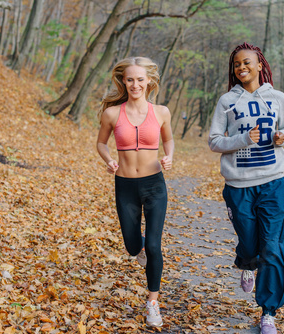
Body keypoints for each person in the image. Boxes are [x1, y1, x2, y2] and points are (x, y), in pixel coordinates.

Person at [208, 42, 284, 334]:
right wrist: (244, 139)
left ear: (260, 65)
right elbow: (214, 141)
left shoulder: (277, 97)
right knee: (249, 243)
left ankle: (268, 312)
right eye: (236, 64)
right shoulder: (226, 101)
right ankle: (247, 262)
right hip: (238, 186)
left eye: (247, 62)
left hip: (272, 182)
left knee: (272, 246)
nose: (241, 68)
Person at [96, 56, 174, 328]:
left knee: (154, 246)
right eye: (130, 79)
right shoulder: (112, 113)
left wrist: (169, 157)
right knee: (133, 246)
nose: (135, 84)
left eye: (140, 79)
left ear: (149, 81)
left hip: (154, 185)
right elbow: (101, 143)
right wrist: (109, 160)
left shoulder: (161, 111)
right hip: (125, 185)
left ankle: (152, 302)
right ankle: (138, 248)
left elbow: (169, 139)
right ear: (123, 81)